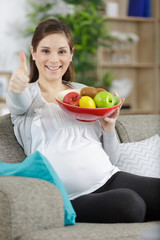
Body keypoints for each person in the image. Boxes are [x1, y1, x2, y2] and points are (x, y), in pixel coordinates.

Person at [6, 18, 160, 223]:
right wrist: (15, 87)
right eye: (45, 51)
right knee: (131, 204)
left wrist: (109, 127)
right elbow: (17, 101)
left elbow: (112, 159)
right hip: (72, 197)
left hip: (110, 177)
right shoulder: (27, 97)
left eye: (62, 51)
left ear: (71, 54)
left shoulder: (85, 93)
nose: (54, 59)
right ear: (33, 53)